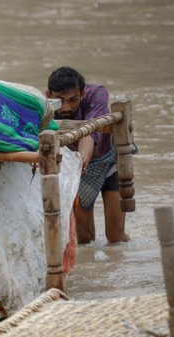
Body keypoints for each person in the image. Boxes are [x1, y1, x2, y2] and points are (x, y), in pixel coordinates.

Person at [46, 66, 130, 244]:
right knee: (84, 238)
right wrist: (79, 164)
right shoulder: (44, 107)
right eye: (60, 100)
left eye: (73, 100)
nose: (67, 107)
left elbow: (89, 131)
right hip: (79, 166)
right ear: (48, 95)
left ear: (82, 94)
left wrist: (81, 160)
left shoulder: (97, 94)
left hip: (107, 162)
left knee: (116, 237)